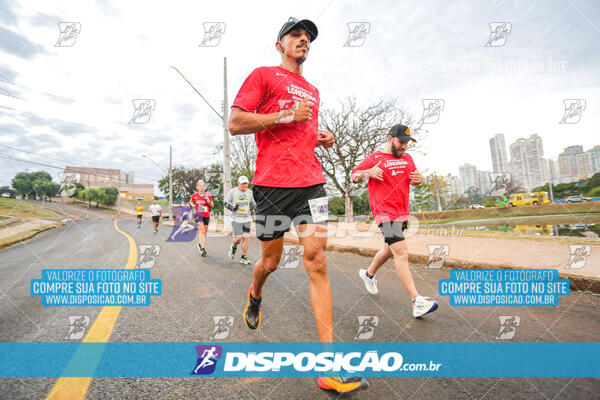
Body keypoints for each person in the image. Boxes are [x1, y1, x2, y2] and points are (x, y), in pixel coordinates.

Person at [228, 17, 368, 394]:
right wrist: (286, 114)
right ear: (280, 45)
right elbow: (236, 123)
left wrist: (324, 138)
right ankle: (255, 293)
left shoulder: (312, 89)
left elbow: (303, 132)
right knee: (270, 262)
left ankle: (329, 367)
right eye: (296, 35)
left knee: (317, 261)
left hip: (311, 183)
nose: (303, 40)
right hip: (272, 185)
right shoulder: (263, 75)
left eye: (308, 37)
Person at [351, 124, 439, 318]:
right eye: (401, 142)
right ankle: (417, 302)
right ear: (390, 139)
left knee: (389, 249)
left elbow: (414, 178)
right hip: (384, 213)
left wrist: (420, 179)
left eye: (407, 142)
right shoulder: (375, 158)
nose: (404, 146)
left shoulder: (407, 158)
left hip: (402, 213)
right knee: (401, 253)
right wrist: (367, 172)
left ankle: (368, 274)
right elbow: (353, 176)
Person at [225, 176, 256, 265]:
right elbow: (225, 203)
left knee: (246, 237)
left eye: (246, 183)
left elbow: (254, 204)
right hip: (236, 218)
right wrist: (232, 208)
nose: (244, 185)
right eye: (242, 183)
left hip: (246, 218)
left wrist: (255, 208)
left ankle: (243, 257)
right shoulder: (233, 192)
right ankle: (233, 247)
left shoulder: (250, 192)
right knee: (238, 238)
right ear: (238, 183)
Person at [190, 180, 213, 256]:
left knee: (204, 231)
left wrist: (208, 201)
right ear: (197, 187)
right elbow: (191, 201)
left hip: (206, 215)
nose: (201, 186)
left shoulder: (207, 195)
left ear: (204, 187)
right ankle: (202, 248)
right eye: (200, 185)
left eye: (203, 185)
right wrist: (193, 205)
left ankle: (200, 244)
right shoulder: (194, 195)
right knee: (201, 230)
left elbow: (212, 205)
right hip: (198, 214)